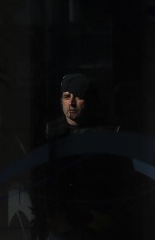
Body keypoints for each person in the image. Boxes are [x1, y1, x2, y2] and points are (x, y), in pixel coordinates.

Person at [35, 74, 133, 240]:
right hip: (61, 223)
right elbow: (41, 180)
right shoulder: (51, 135)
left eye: (78, 97)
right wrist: (52, 215)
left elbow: (122, 180)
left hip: (97, 223)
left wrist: (107, 216)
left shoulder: (107, 136)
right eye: (67, 97)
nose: (71, 103)